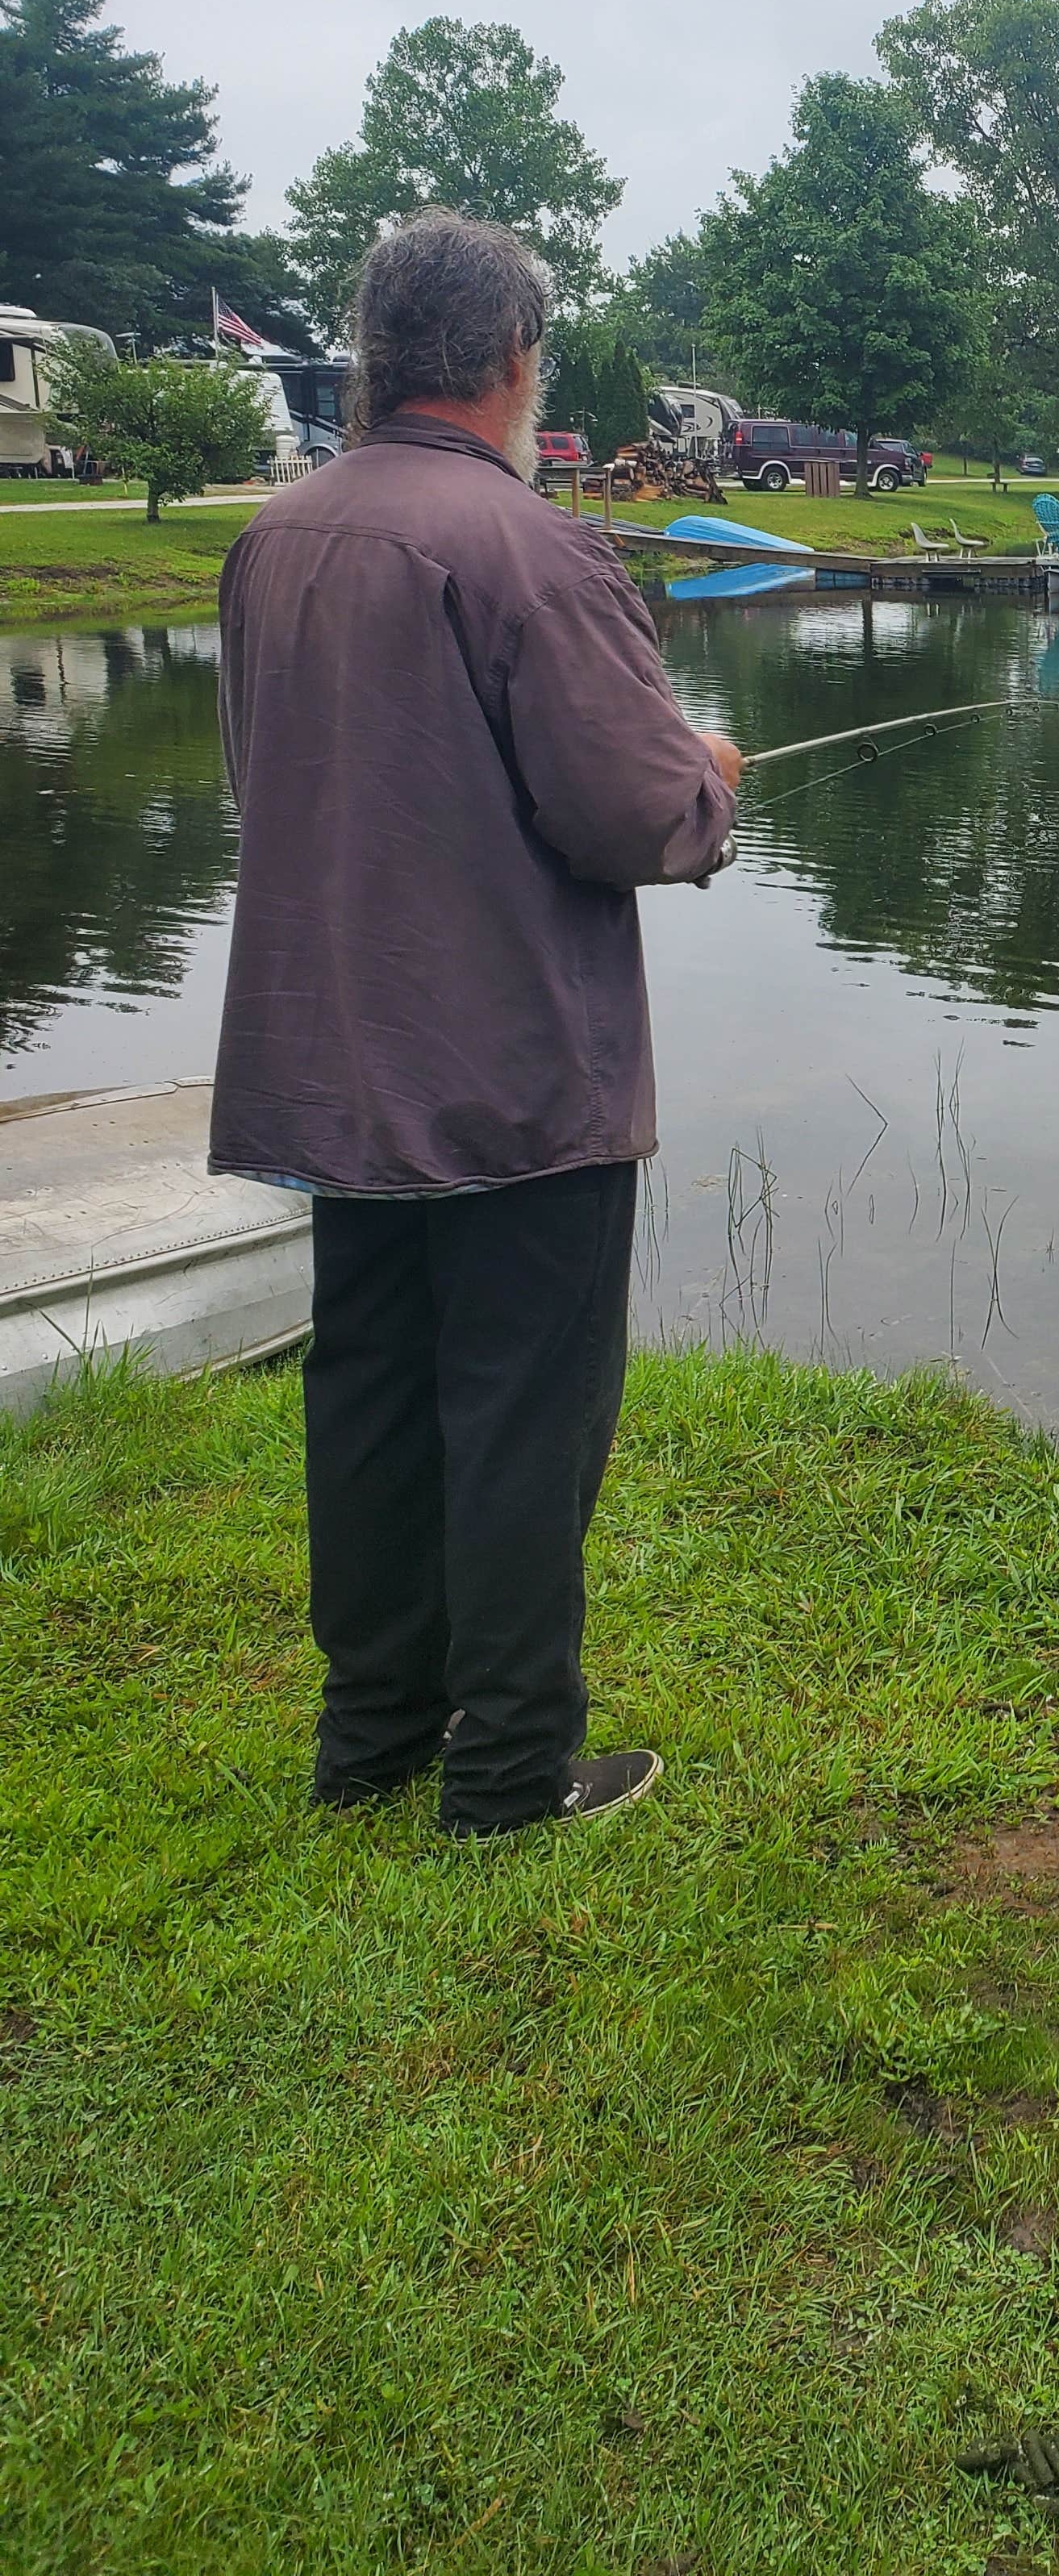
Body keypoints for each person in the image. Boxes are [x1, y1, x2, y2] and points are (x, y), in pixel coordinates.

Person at [209, 210, 742, 1839]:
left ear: (378, 359)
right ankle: (509, 1773)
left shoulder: (273, 537)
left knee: (370, 1392)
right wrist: (706, 784)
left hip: (333, 1062)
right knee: (520, 1409)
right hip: (513, 1076)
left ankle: (369, 1740)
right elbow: (626, 814)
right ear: (512, 363)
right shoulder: (533, 546)